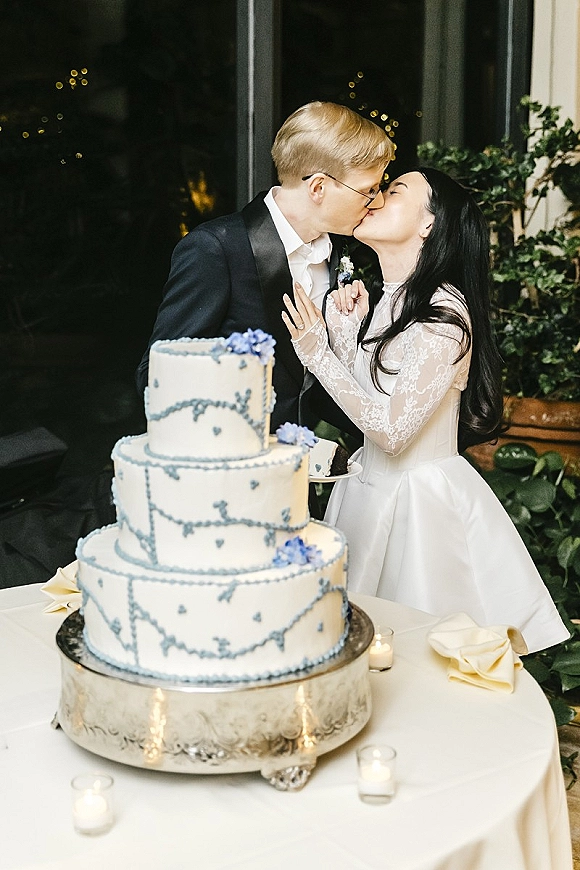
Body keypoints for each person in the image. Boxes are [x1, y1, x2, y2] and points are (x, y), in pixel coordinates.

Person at [282, 167, 569, 654]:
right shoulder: (395, 300)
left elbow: (393, 432)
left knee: (416, 655)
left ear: (429, 224)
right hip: (366, 494)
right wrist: (346, 334)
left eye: (394, 191)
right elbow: (375, 399)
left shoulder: (446, 317)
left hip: (418, 508)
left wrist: (318, 355)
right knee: (355, 648)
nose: (375, 198)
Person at [135, 101, 394, 436]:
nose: (379, 201)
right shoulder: (217, 248)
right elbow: (157, 375)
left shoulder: (342, 249)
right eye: (369, 190)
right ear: (318, 187)